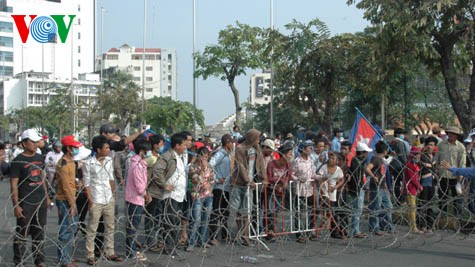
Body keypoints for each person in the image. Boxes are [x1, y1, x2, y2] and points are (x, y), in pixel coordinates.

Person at [10, 129, 50, 267]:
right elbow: (14, 184)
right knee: (22, 232)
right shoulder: (17, 161)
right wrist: (16, 205)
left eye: (36, 142)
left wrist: (46, 197)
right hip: (25, 202)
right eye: (32, 142)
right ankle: (19, 261)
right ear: (24, 143)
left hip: (40, 201)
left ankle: (39, 260)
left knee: (39, 232)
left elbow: (42, 178)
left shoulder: (40, 158)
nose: (35, 144)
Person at [83, 135, 123, 265]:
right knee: (92, 228)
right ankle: (90, 254)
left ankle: (110, 252)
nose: (108, 149)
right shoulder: (88, 163)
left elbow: (111, 178)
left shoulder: (109, 161)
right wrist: (90, 200)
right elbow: (87, 183)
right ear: (98, 149)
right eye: (106, 147)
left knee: (110, 227)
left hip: (108, 198)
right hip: (96, 199)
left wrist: (113, 195)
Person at [151, 133, 188, 258]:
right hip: (169, 195)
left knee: (174, 222)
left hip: (179, 195)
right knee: (170, 221)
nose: (185, 146)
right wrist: (164, 185)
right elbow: (157, 170)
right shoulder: (167, 156)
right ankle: (169, 246)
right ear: (177, 145)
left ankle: (172, 245)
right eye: (183, 144)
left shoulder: (180, 157)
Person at [230, 129, 267, 246]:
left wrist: (264, 178)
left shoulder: (257, 149)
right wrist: (247, 180)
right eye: (257, 138)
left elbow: (261, 165)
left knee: (247, 211)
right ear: (251, 138)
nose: (259, 141)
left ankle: (245, 236)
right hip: (239, 183)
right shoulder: (240, 149)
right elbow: (241, 166)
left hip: (249, 185)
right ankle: (238, 234)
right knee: (237, 211)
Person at [55, 136, 83, 267]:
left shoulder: (72, 162)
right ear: (68, 148)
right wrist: (72, 205)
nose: (77, 149)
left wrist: (76, 186)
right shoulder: (64, 164)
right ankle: (64, 260)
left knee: (72, 227)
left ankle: (67, 256)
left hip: (72, 198)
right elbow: (65, 186)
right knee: (66, 230)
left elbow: (70, 182)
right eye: (74, 147)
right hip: (66, 200)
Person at [124, 138, 150, 261]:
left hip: (135, 199)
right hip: (135, 199)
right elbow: (139, 185)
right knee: (133, 227)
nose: (148, 153)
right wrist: (146, 194)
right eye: (147, 151)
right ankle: (131, 251)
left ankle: (131, 249)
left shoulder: (138, 163)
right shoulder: (137, 165)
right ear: (141, 151)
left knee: (132, 226)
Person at [186, 147, 215, 252]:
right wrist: (203, 170)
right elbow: (195, 180)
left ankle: (202, 241)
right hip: (197, 195)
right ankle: (191, 242)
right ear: (198, 156)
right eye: (202, 156)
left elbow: (212, 179)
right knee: (196, 219)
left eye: (206, 157)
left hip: (208, 195)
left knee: (205, 219)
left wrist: (208, 185)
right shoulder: (192, 167)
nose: (204, 159)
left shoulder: (210, 167)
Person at [435, 126, 466, 218]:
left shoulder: (460, 147)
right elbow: (437, 158)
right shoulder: (441, 145)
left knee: (456, 198)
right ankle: (443, 216)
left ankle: (457, 217)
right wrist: (436, 169)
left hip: (455, 176)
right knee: (442, 198)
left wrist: (460, 174)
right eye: (449, 133)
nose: (451, 135)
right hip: (443, 175)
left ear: (456, 136)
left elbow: (462, 162)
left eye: (453, 134)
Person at [209, 134, 234, 245]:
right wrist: (216, 179)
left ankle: (224, 234)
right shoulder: (220, 154)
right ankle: (212, 236)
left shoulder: (228, 154)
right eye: (231, 142)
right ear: (227, 143)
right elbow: (210, 165)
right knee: (216, 212)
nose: (233, 144)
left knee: (224, 212)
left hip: (227, 187)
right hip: (219, 187)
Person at [292, 140, 318, 243]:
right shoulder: (297, 161)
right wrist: (298, 179)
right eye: (308, 148)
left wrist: (322, 177)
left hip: (309, 190)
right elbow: (292, 174)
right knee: (299, 212)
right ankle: (298, 233)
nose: (310, 150)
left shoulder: (310, 161)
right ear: (303, 149)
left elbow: (313, 174)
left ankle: (310, 230)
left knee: (312, 210)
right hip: (299, 190)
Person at [266, 144, 293, 240]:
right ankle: (269, 231)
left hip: (281, 192)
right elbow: (269, 177)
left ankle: (271, 230)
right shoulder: (272, 164)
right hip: (270, 191)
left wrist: (284, 182)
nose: (291, 156)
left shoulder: (288, 165)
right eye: (290, 154)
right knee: (270, 212)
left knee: (275, 212)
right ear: (284, 155)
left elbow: (289, 176)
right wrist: (280, 181)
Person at [144, 134, 165, 251]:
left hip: (159, 192)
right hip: (152, 192)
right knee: (151, 218)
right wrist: (146, 191)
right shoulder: (151, 159)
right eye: (161, 144)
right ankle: (151, 242)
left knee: (158, 218)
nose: (162, 146)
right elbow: (146, 177)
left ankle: (156, 241)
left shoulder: (158, 157)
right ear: (155, 145)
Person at [366, 140, 393, 235]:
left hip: (382, 187)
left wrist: (386, 188)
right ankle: (374, 228)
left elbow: (383, 175)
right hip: (376, 188)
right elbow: (367, 168)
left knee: (388, 207)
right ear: (385, 151)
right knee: (375, 208)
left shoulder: (382, 161)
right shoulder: (375, 159)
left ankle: (386, 226)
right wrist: (373, 177)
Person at [318, 152, 345, 238]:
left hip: (332, 193)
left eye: (333, 158)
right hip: (324, 191)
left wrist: (335, 187)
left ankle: (333, 232)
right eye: (330, 158)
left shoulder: (338, 169)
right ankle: (318, 229)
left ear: (337, 161)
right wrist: (322, 189)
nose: (330, 159)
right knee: (323, 211)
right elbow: (320, 179)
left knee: (332, 213)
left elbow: (342, 180)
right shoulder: (324, 167)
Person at [348, 142, 372, 238]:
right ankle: (355, 231)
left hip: (359, 188)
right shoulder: (356, 163)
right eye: (366, 153)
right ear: (361, 153)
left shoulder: (358, 162)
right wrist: (360, 187)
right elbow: (356, 178)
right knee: (357, 210)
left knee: (358, 210)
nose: (367, 155)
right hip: (357, 189)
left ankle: (356, 229)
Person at [418, 136, 438, 232]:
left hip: (432, 183)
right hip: (424, 183)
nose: (430, 147)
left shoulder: (435, 156)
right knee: (423, 204)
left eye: (432, 145)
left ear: (434, 146)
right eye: (428, 145)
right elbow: (423, 168)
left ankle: (430, 225)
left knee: (430, 205)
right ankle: (422, 225)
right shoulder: (422, 156)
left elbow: (434, 169)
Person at [403, 147, 424, 234]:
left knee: (412, 209)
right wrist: (419, 187)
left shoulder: (415, 164)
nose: (419, 157)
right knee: (412, 209)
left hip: (413, 189)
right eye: (418, 155)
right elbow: (413, 178)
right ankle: (413, 227)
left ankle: (412, 226)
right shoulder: (409, 165)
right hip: (410, 189)